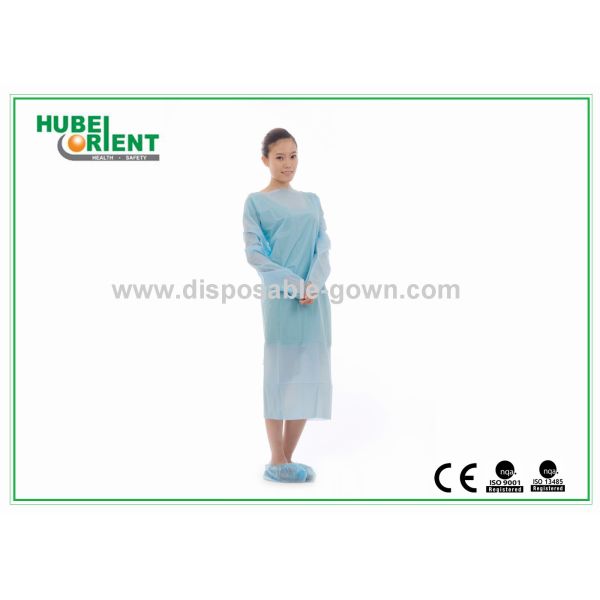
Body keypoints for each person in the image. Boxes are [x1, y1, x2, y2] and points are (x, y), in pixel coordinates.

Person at [242, 128, 332, 483]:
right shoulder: (256, 203)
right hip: (281, 298)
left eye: (293, 156)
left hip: (314, 298)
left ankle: (286, 460)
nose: (288, 164)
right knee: (280, 374)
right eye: (279, 157)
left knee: (308, 372)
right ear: (265, 160)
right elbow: (255, 254)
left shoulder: (312, 201)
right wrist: (295, 285)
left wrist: (314, 284)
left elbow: (323, 247)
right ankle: (275, 459)